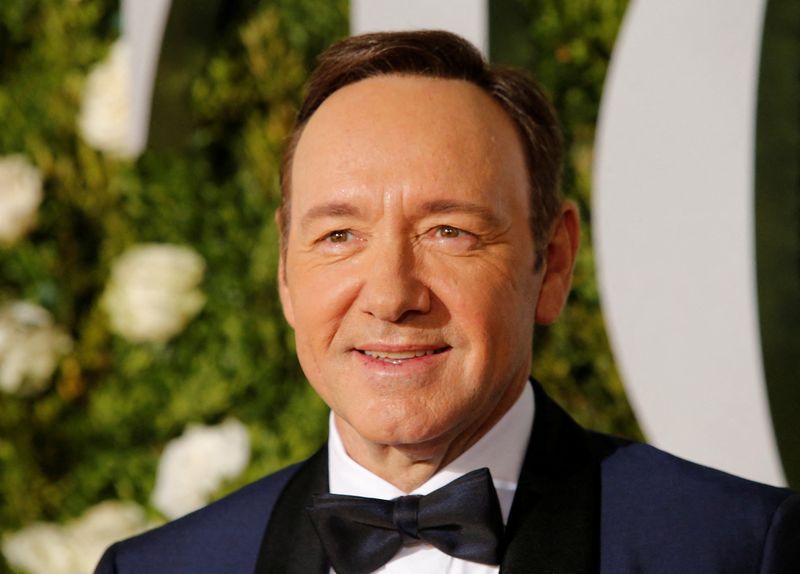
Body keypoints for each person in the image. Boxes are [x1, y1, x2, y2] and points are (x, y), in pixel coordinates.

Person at [96, 30, 800, 573]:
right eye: (340, 235)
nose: (392, 295)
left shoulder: (735, 550)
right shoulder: (158, 568)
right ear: (285, 269)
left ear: (551, 262)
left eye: (449, 231)